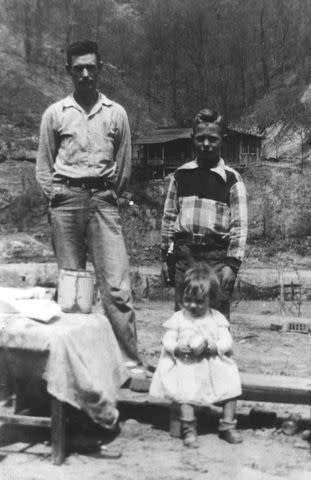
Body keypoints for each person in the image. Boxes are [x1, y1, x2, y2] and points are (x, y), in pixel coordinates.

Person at [36, 40, 140, 363]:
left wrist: (107, 196)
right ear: (69, 71)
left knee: (117, 289)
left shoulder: (116, 114)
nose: (84, 74)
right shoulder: (55, 114)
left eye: (90, 68)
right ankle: (75, 366)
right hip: (66, 203)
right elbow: (44, 168)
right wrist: (59, 197)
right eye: (78, 68)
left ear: (100, 70)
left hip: (103, 203)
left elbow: (123, 167)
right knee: (72, 291)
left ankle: (128, 362)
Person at [161, 108, 248, 319]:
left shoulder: (232, 180)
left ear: (223, 140)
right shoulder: (180, 175)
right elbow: (169, 218)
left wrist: (232, 266)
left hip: (217, 259)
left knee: (216, 320)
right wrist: (166, 258)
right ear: (193, 139)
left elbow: (239, 227)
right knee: (184, 318)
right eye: (201, 138)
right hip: (185, 257)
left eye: (212, 139)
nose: (206, 144)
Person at [150, 264, 242, 448]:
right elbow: (167, 339)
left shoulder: (216, 318)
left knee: (232, 384)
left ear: (211, 299)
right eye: (188, 300)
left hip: (212, 362)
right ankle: (189, 428)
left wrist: (215, 347)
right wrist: (177, 348)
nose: (192, 305)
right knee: (185, 391)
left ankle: (227, 425)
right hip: (187, 364)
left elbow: (227, 341)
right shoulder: (179, 318)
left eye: (199, 301)